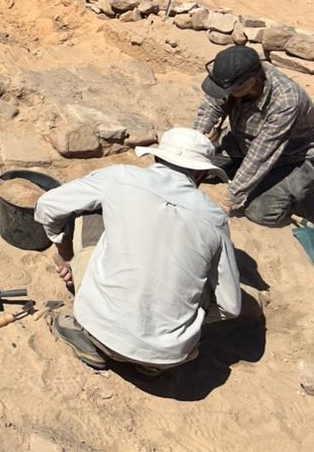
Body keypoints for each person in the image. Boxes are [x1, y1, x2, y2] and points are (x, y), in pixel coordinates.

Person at [33, 127, 241, 375]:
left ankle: (89, 339)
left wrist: (66, 257)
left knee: (87, 212)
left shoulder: (120, 178)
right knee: (206, 277)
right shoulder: (214, 218)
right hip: (170, 356)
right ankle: (149, 362)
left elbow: (47, 206)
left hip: (100, 329)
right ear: (201, 174)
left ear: (158, 157)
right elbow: (231, 306)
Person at [194, 45, 314, 226]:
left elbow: (260, 156)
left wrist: (229, 199)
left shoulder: (285, 101)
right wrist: (195, 141)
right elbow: (211, 107)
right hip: (245, 140)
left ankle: (300, 192)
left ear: (249, 83)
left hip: (292, 157)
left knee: (260, 211)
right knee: (200, 166)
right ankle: (241, 170)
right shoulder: (233, 75)